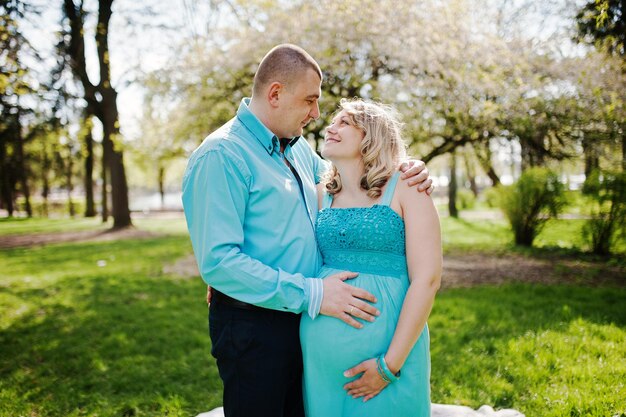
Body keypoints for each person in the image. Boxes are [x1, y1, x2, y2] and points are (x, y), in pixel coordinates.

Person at [182, 44, 433, 417]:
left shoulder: (297, 151)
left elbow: (355, 180)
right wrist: (313, 293)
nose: (318, 115)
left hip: (301, 319)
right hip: (254, 325)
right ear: (276, 94)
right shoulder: (222, 155)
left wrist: (410, 167)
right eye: (311, 101)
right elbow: (218, 261)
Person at [300, 98, 442, 417]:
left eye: (344, 122)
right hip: (321, 357)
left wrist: (388, 366)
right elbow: (279, 241)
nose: (330, 127)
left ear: (372, 134)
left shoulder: (407, 186)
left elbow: (428, 279)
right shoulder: (320, 193)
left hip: (390, 351)